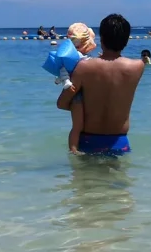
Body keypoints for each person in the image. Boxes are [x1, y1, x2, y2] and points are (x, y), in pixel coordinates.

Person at [57, 14, 144, 155]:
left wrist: (79, 106)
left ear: (101, 39)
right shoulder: (137, 67)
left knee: (85, 177)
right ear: (126, 41)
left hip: (87, 141)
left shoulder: (83, 67)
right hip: (120, 143)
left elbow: (61, 103)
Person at [57, 23, 98, 153]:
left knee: (78, 125)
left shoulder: (73, 57)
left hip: (77, 93)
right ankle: (73, 150)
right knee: (77, 126)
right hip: (77, 94)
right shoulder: (79, 58)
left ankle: (75, 148)